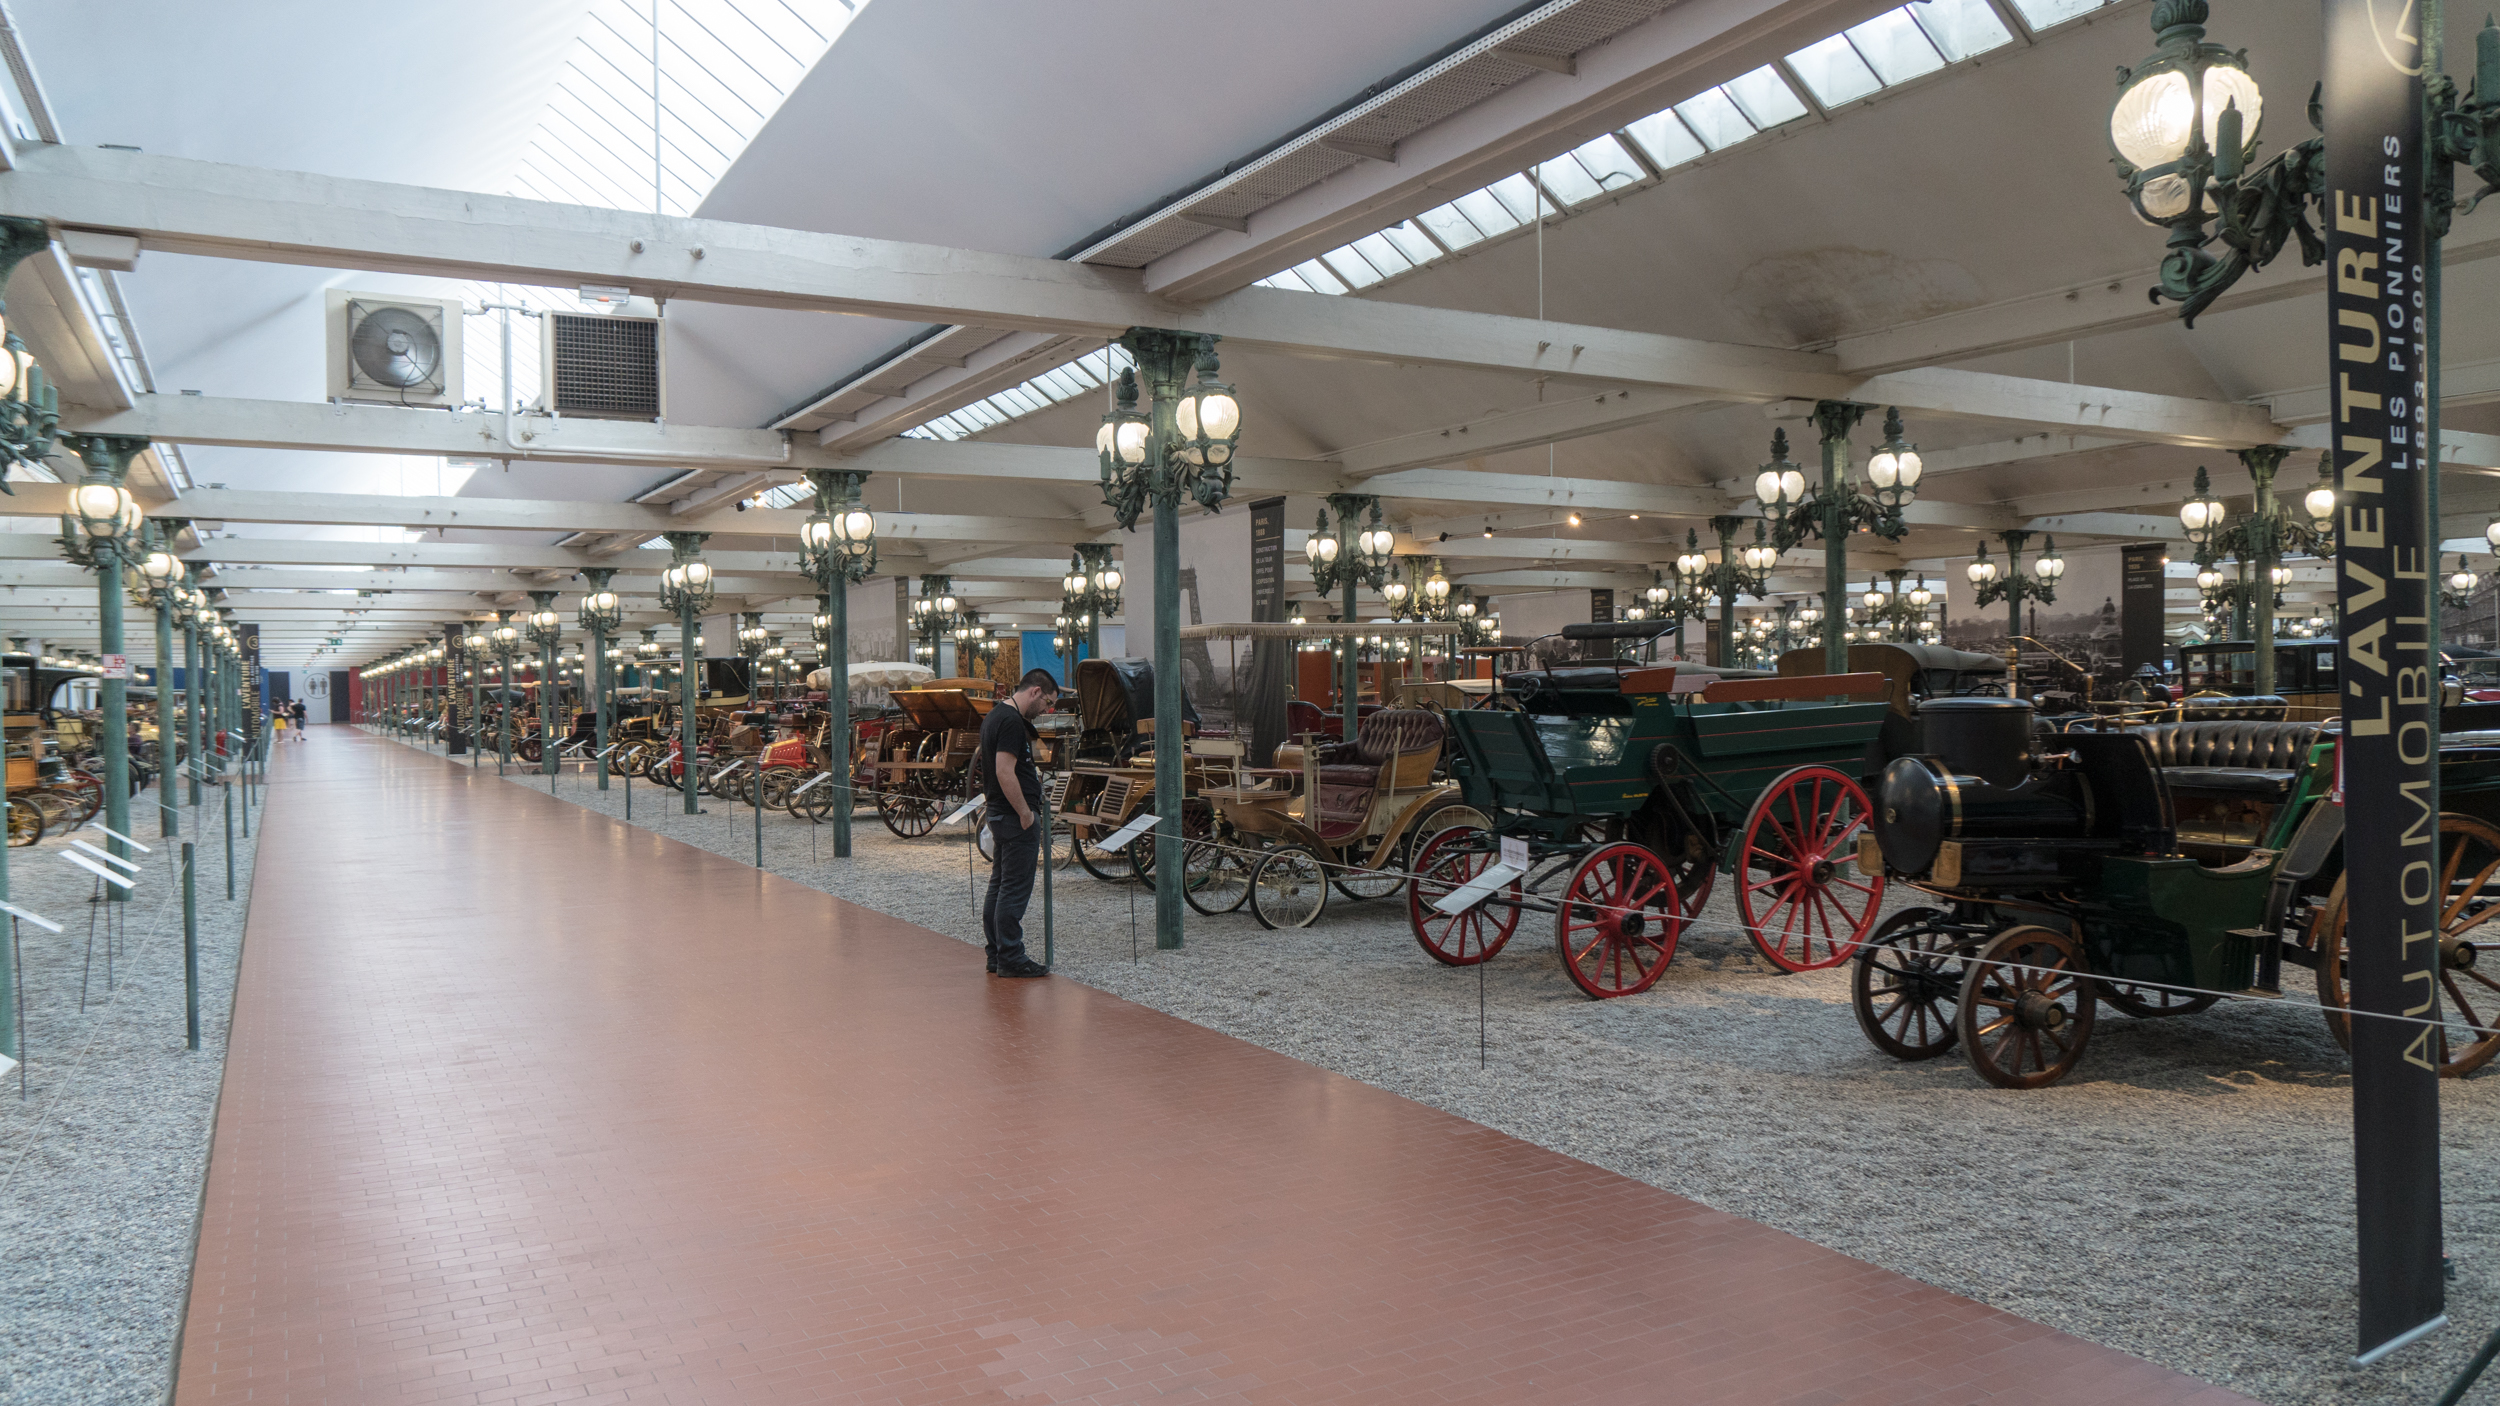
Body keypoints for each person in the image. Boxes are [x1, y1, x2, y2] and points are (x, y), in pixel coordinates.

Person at [977, 668, 1058, 977]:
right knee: (1013, 888)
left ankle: (996, 953)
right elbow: (1004, 770)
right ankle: (1011, 956)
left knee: (999, 885)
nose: (1047, 710)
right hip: (1014, 817)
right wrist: (1026, 812)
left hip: (999, 813)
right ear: (1035, 691)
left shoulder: (995, 716)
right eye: (1048, 703)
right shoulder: (1011, 721)